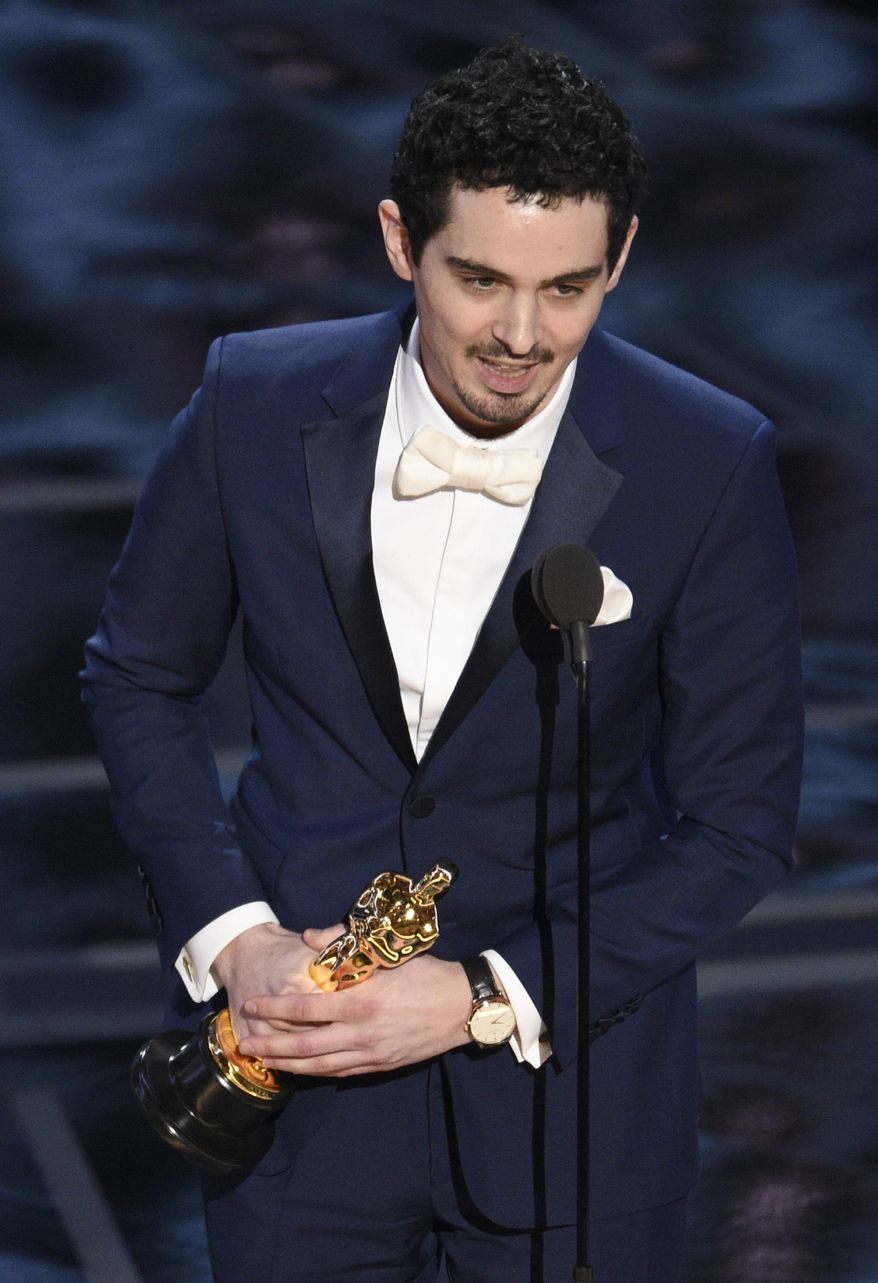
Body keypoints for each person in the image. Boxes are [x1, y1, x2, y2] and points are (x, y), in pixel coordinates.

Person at [82, 39, 803, 1283]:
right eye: (478, 279)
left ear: (620, 258)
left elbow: (739, 822)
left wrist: (482, 990)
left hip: (574, 1111)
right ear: (397, 240)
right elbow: (136, 675)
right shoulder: (251, 402)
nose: (521, 335)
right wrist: (234, 933)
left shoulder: (708, 456)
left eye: (569, 288)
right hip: (291, 1091)